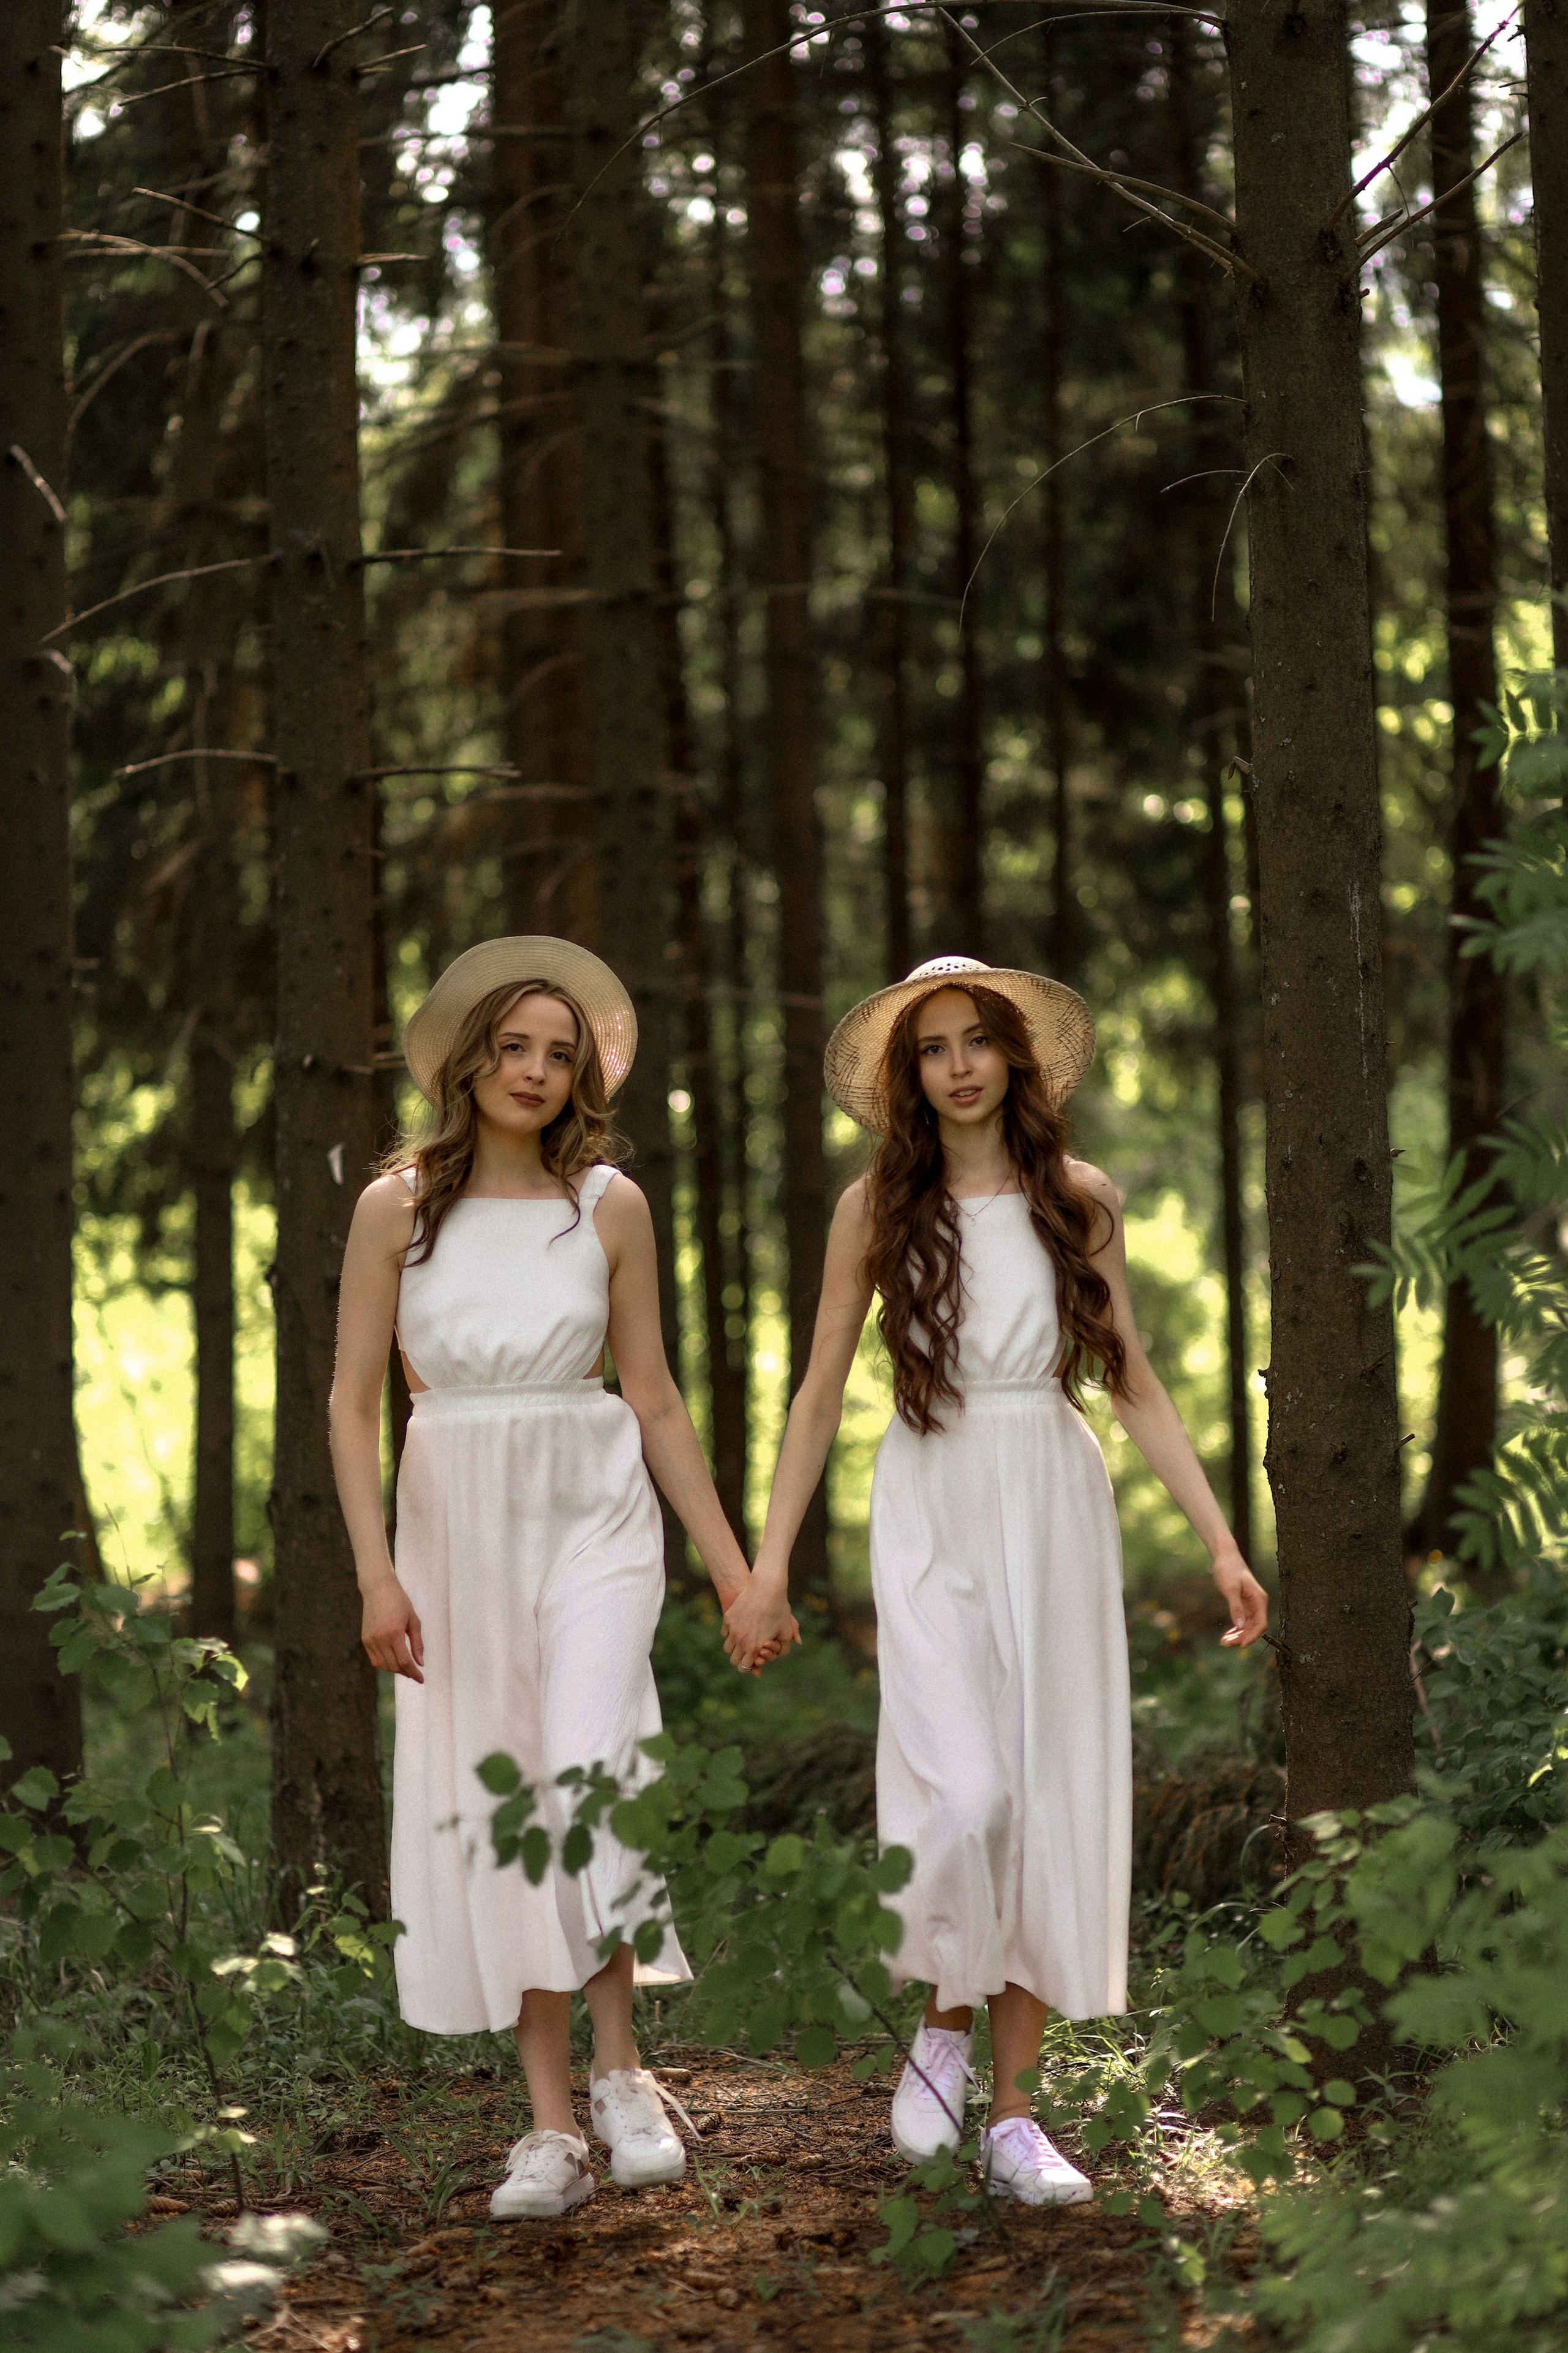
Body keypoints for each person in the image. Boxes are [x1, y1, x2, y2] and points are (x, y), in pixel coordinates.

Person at [723, 955, 1268, 2206]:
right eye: (933, 1048)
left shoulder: (1077, 1199)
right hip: (929, 1495)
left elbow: (1130, 1380)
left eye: (978, 1040)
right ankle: (943, 2019)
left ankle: (1015, 2114)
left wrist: (1224, 1547)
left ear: (1015, 1058)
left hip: (1053, 1497)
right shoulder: (872, 1208)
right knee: (960, 1790)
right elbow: (815, 1394)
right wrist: (763, 1568)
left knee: (1041, 1795)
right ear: (907, 1075)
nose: (958, 1064)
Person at [330, 937, 794, 2223]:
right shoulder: (396, 1206)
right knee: (505, 1797)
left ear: (584, 1070)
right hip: (452, 1523)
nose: (535, 1070)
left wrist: (732, 1566)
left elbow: (649, 1393)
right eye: (514, 1045)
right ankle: (546, 2125)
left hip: (591, 1506)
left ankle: (624, 2073)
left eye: (559, 1051)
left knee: (589, 1771)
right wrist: (375, 1575)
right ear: (467, 1057)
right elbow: (348, 1401)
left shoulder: (608, 1205)